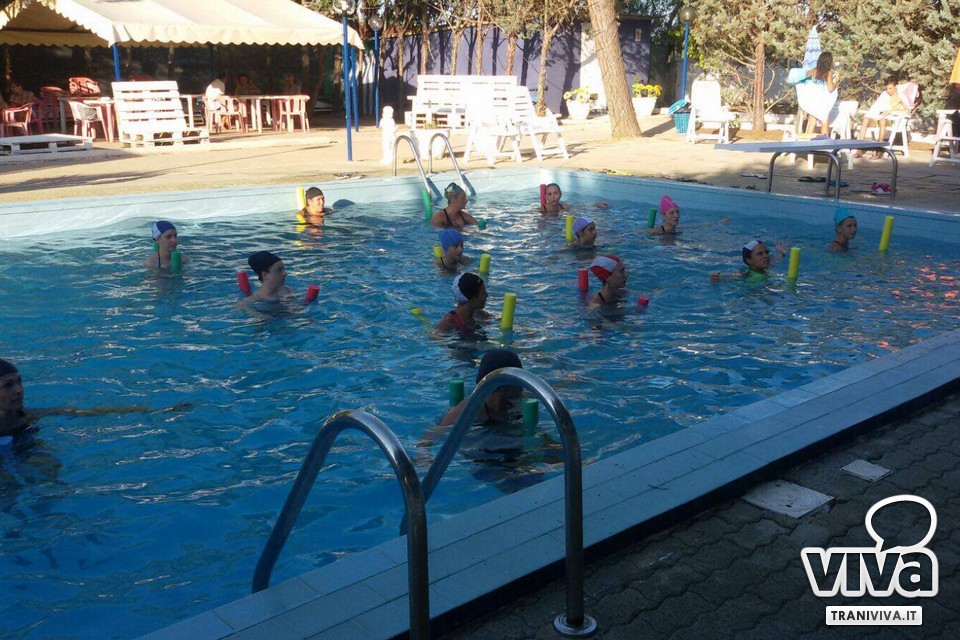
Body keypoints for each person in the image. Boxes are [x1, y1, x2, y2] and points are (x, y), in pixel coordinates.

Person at [0, 358, 183, 441]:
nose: (18, 390)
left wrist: (150, 411)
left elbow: (83, 412)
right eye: (8, 385)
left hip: (22, 444)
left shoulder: (28, 416)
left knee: (48, 465)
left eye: (19, 381)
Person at [854, 78, 905, 159]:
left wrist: (890, 111)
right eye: (886, 89)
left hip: (892, 120)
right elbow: (876, 107)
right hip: (878, 118)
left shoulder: (901, 96)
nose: (888, 91)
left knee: (882, 120)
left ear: (896, 87)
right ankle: (860, 148)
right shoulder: (884, 95)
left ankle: (879, 149)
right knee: (865, 119)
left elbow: (907, 110)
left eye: (890, 88)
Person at [710, 240, 788, 282]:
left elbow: (775, 262)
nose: (766, 256)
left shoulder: (767, 270)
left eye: (767, 252)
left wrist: (780, 253)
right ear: (749, 260)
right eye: (760, 254)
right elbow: (731, 277)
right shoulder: (746, 274)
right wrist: (718, 278)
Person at [805, 52, 841, 136]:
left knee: (812, 122)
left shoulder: (813, 71)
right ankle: (825, 141)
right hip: (823, 100)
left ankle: (806, 141)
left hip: (813, 99)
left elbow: (805, 76)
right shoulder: (828, 73)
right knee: (824, 120)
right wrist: (837, 80)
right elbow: (830, 89)